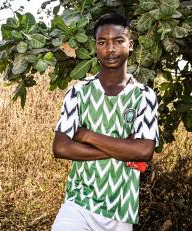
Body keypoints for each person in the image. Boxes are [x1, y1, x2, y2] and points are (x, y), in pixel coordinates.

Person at [51, 13, 159, 231]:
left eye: (118, 41)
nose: (110, 49)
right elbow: (61, 147)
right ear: (95, 47)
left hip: (121, 209)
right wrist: (124, 147)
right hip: (79, 203)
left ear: (131, 45)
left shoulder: (144, 96)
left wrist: (87, 136)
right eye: (103, 42)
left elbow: (144, 151)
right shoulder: (78, 92)